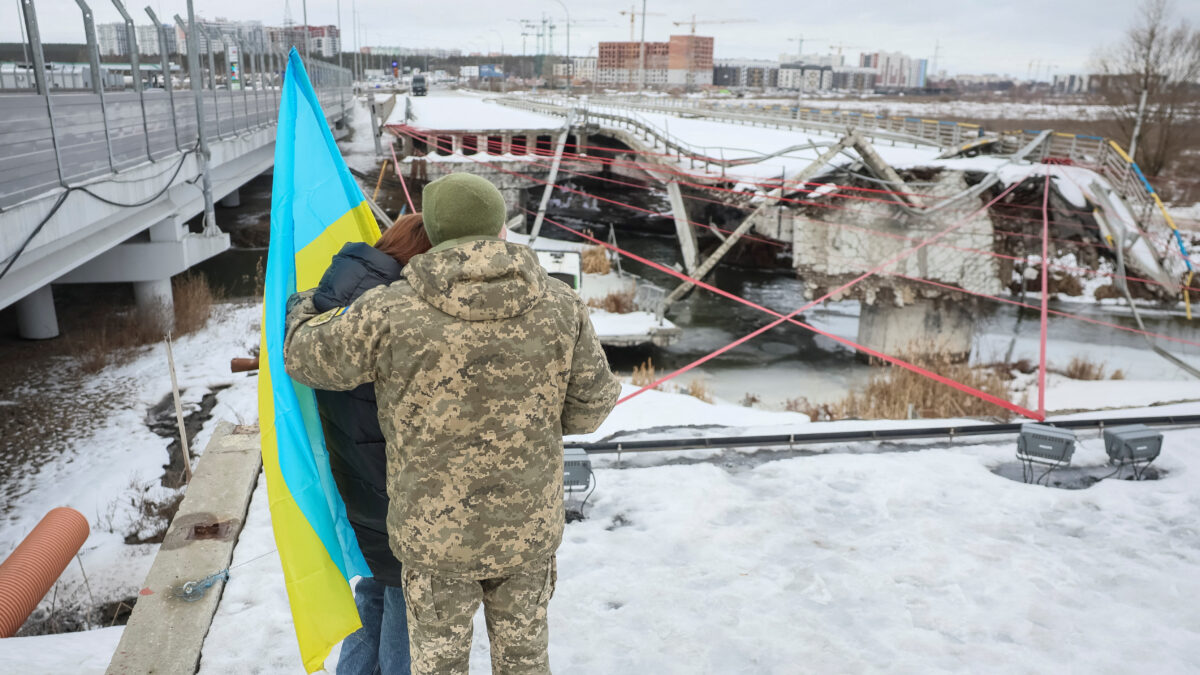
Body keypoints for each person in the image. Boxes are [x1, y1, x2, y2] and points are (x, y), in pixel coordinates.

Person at [284, 172, 620, 674]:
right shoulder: (560, 304)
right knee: (525, 665)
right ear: (500, 229)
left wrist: (303, 305)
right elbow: (591, 408)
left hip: (434, 540)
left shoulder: (389, 310)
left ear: (433, 232)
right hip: (525, 533)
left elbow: (305, 358)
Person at [310, 213, 432, 675]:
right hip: (390, 475)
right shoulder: (386, 306)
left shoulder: (342, 288)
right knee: (406, 599)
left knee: (377, 588)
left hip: (356, 469)